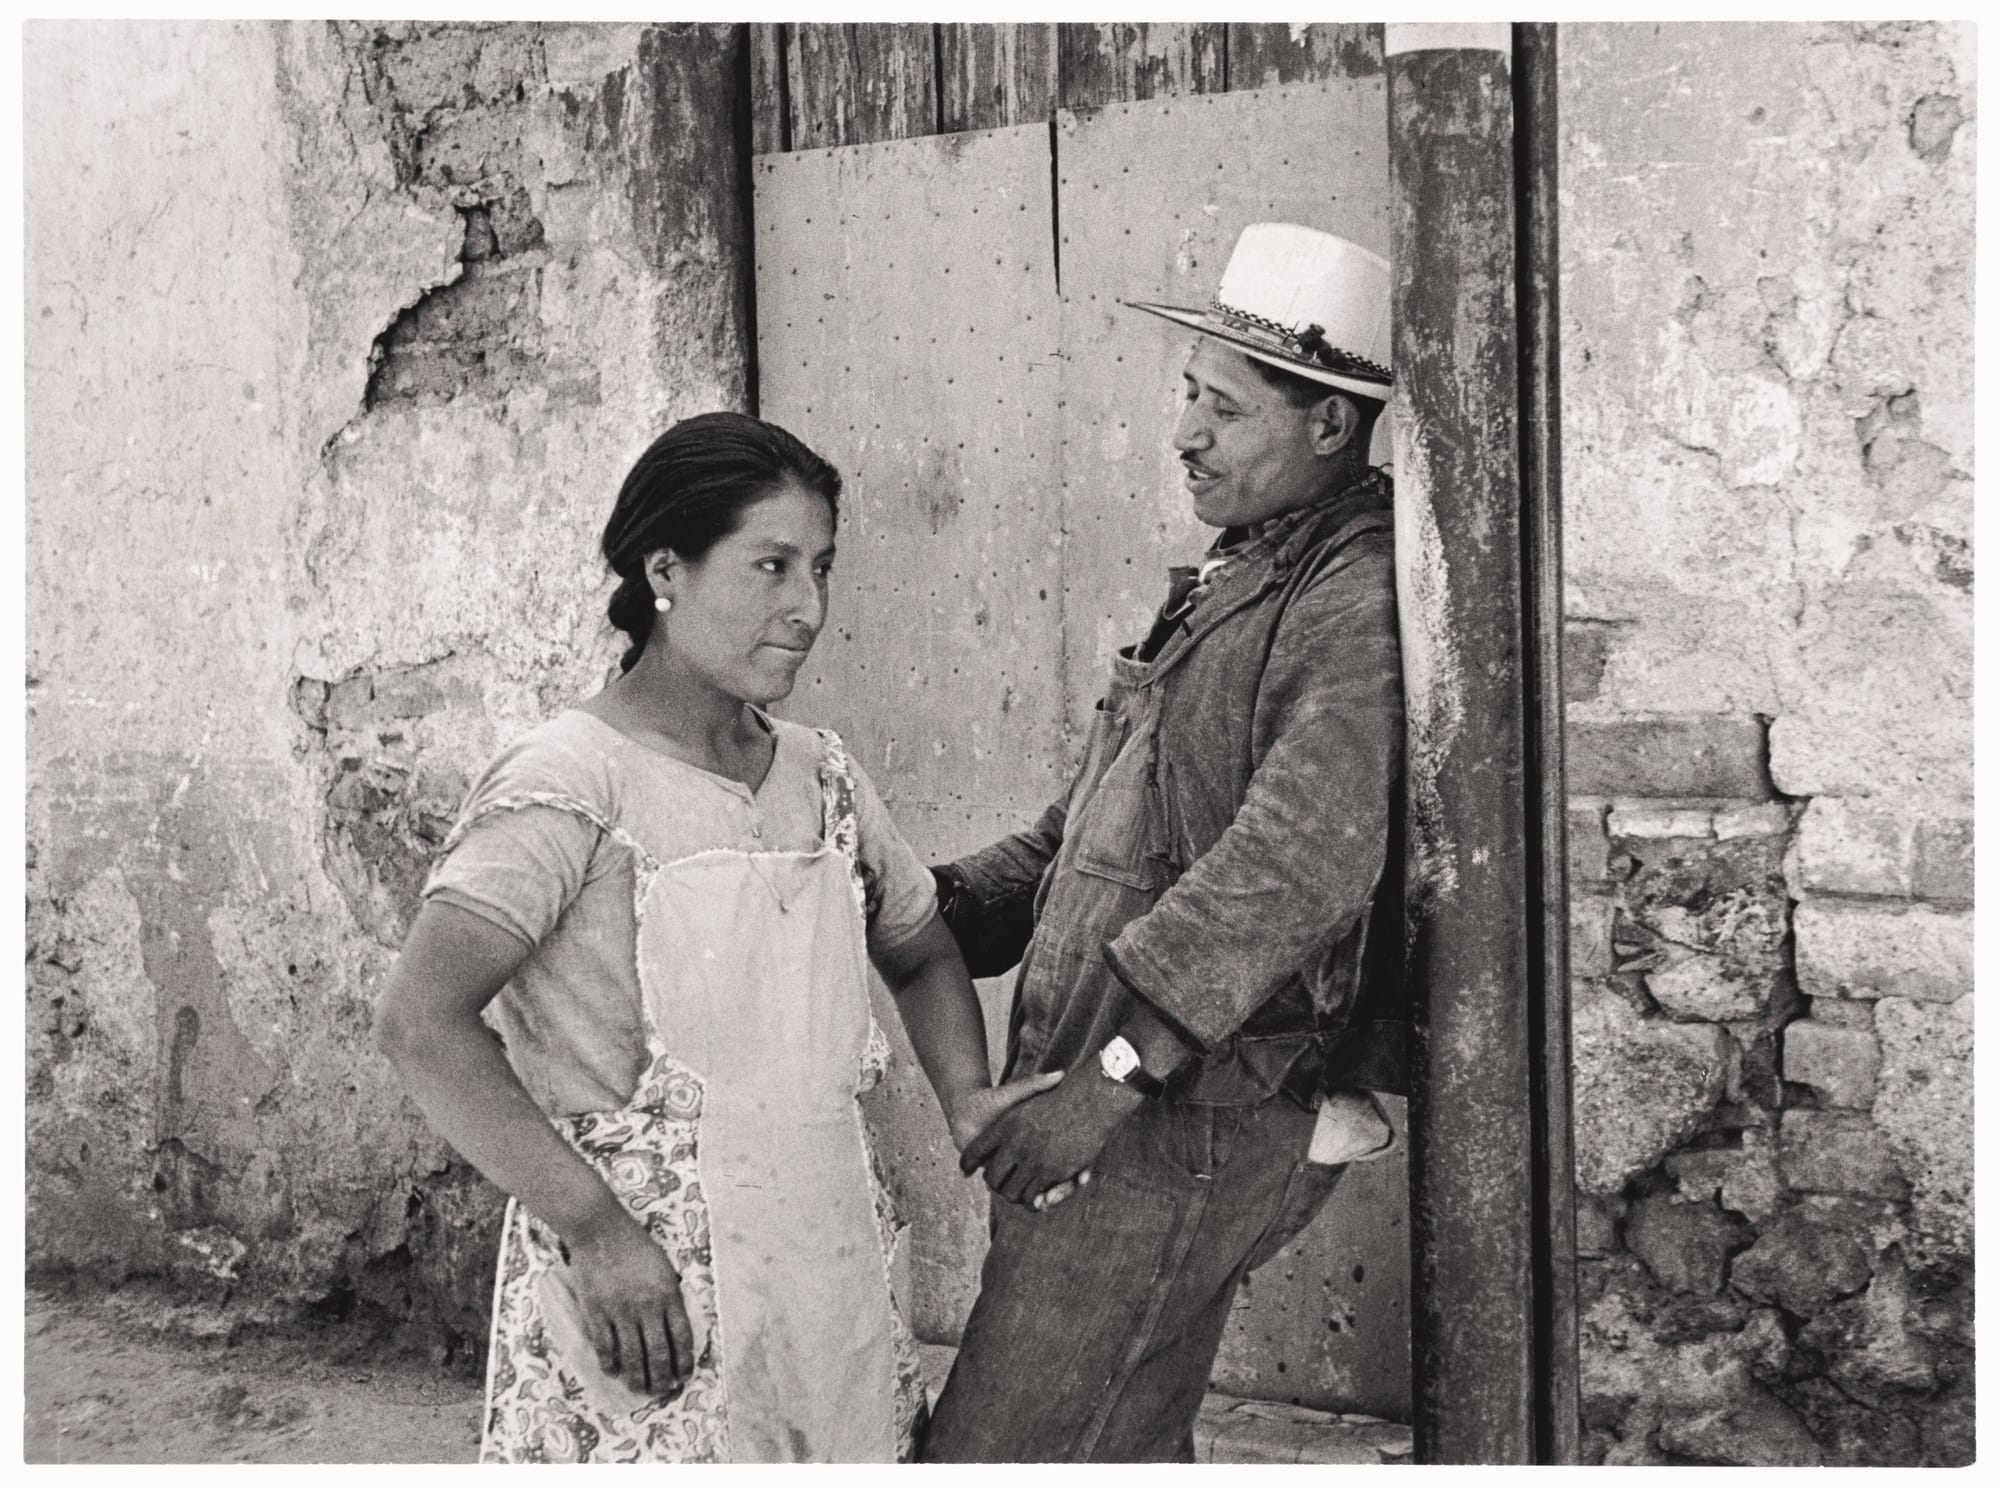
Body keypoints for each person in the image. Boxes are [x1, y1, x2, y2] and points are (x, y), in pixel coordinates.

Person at [373, 412, 1073, 1464]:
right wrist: (596, 1230)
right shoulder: (572, 782)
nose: (808, 608)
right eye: (771, 566)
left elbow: (921, 948)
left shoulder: (821, 775)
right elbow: (422, 1026)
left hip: (824, 1247)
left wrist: (965, 1095)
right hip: (647, 1287)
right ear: (666, 569)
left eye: (821, 569)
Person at [920, 224, 1409, 1462]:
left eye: (1224, 409)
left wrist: (1105, 1084)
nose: (1184, 433)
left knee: (1004, 1453)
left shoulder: (1347, 597)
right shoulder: (1237, 575)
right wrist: (920, 904)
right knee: (1117, 1439)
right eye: (1188, 394)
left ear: (1328, 425)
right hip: (1120, 1105)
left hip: (1175, 1119)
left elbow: (1294, 866)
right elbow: (1085, 832)